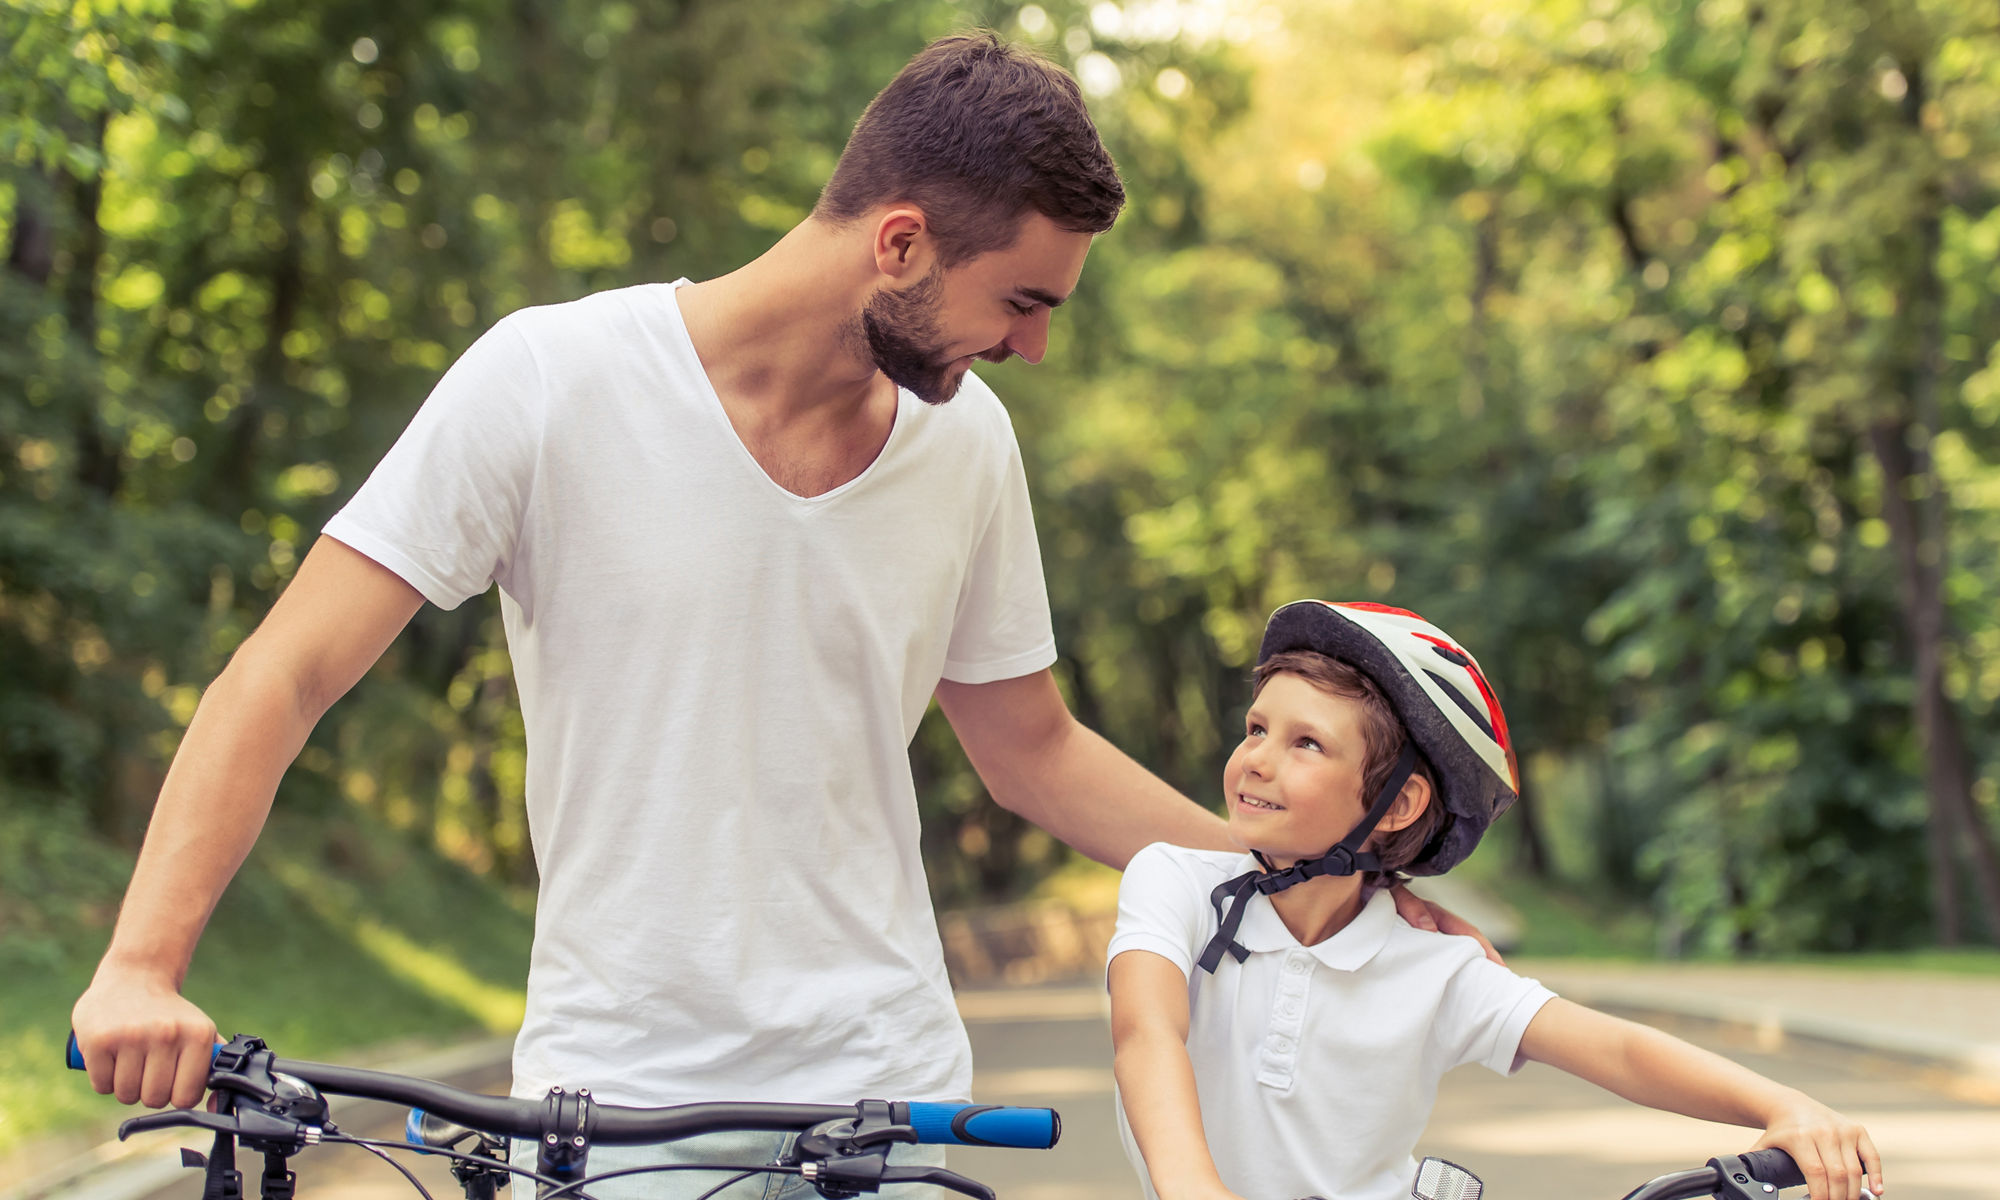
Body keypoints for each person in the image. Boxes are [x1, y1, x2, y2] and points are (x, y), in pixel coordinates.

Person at [70, 34, 1488, 1199]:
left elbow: (1034, 752)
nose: (1036, 346)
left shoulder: (966, 446)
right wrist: (143, 964)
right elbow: (288, 672)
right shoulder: (551, 383)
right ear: (901, 242)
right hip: (613, 1109)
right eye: (1023, 301)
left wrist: (1334, 882)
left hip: (892, 1106)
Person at [1108, 599, 1887, 1200]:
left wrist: (1784, 1105)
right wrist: (1195, 1190)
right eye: (1256, 728)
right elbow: (1149, 1034)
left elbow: (1614, 1048)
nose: (1256, 760)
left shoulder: (1435, 966)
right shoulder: (1174, 882)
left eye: (1305, 743)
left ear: (1401, 803)